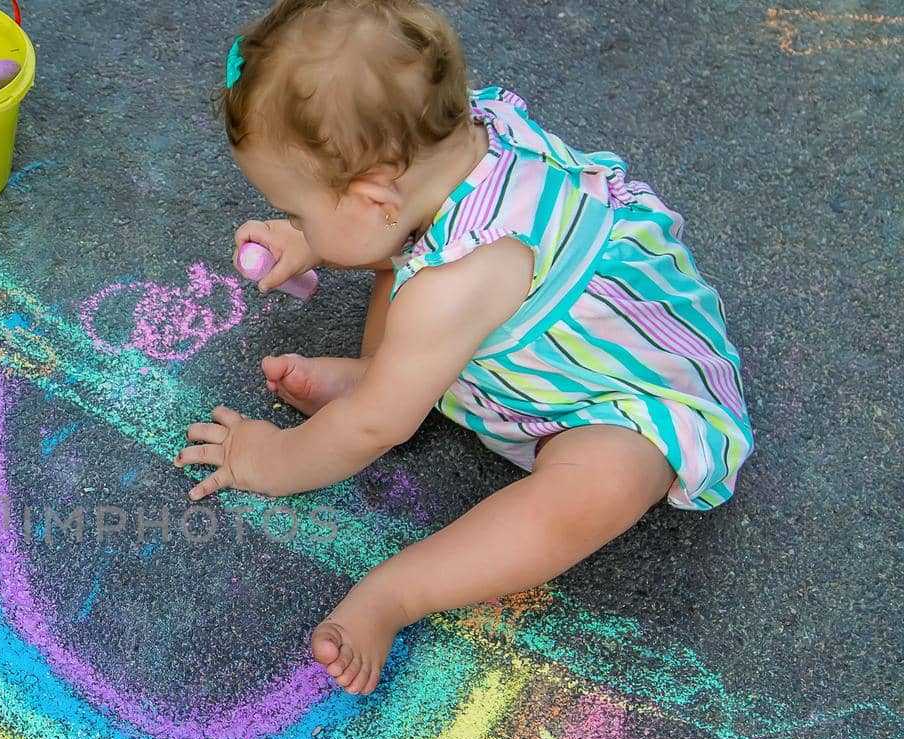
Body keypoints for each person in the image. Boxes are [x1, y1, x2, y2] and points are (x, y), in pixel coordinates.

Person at [174, 0, 753, 694]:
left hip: (622, 386)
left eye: (298, 209)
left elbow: (368, 431)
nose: (293, 222)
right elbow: (385, 230)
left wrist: (265, 458)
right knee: (403, 262)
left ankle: (398, 592)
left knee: (600, 483)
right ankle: (383, 374)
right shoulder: (440, 143)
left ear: (372, 195)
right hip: (513, 324)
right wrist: (310, 240)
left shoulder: (447, 284)